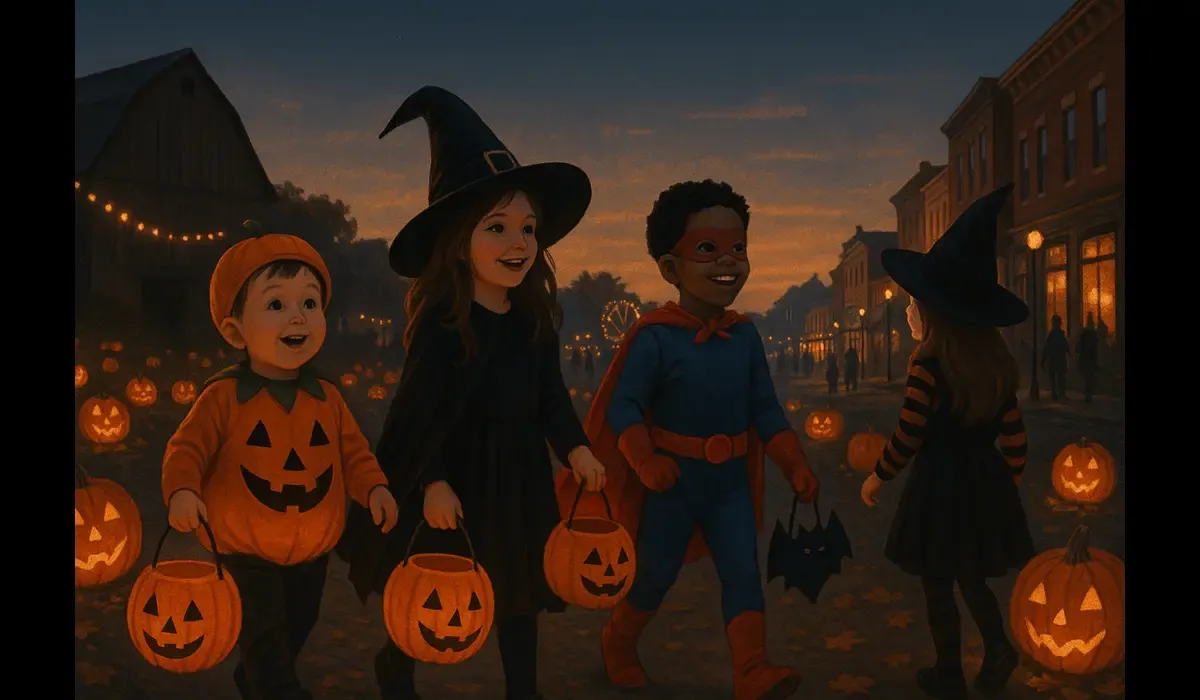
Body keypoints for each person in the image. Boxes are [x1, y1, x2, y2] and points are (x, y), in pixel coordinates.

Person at [334, 87, 605, 700]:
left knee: (518, 592)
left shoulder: (534, 321)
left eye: (528, 229)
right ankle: (397, 664)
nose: (518, 244)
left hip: (517, 477)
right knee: (438, 585)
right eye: (497, 228)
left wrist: (576, 449)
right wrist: (430, 481)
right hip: (455, 479)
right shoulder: (443, 325)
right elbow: (417, 413)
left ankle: (522, 690)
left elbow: (551, 400)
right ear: (459, 239)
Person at [557, 179, 819, 700]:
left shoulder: (744, 336)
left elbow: (765, 409)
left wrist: (793, 462)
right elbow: (624, 406)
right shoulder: (656, 337)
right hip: (672, 484)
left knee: (742, 570)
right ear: (670, 268)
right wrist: (644, 460)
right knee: (653, 574)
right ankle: (619, 641)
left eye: (738, 247)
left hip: (729, 485)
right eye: (707, 248)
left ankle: (751, 669)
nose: (729, 261)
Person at [162, 223, 400, 700]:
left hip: (312, 548)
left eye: (309, 303)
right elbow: (187, 448)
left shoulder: (326, 397)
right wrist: (183, 490)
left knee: (296, 625)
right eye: (276, 305)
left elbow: (353, 452)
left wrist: (373, 488)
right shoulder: (223, 397)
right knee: (264, 628)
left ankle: (256, 679)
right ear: (235, 330)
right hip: (244, 547)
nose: (298, 317)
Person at [860, 185, 1034, 700]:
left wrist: (877, 476)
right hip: (983, 482)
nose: (913, 311)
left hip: (939, 487)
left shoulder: (929, 366)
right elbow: (1015, 438)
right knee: (971, 577)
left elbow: (909, 434)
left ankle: (949, 672)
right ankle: (997, 647)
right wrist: (1005, 483)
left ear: (936, 311)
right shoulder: (996, 367)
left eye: (918, 304)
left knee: (938, 581)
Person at [1041, 315, 1070, 400]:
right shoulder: (1057, 334)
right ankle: (1058, 393)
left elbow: (1047, 347)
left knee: (1056, 378)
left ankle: (1057, 393)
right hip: (1057, 359)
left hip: (1055, 359)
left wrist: (1043, 359)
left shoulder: (1054, 334)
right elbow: (1065, 345)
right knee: (1058, 378)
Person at [1077, 313, 1100, 403]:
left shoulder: (1084, 334)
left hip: (1086, 359)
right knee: (1089, 377)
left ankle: (1088, 393)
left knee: (1088, 377)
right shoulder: (1092, 334)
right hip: (1090, 359)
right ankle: (1088, 393)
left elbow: (1078, 348)